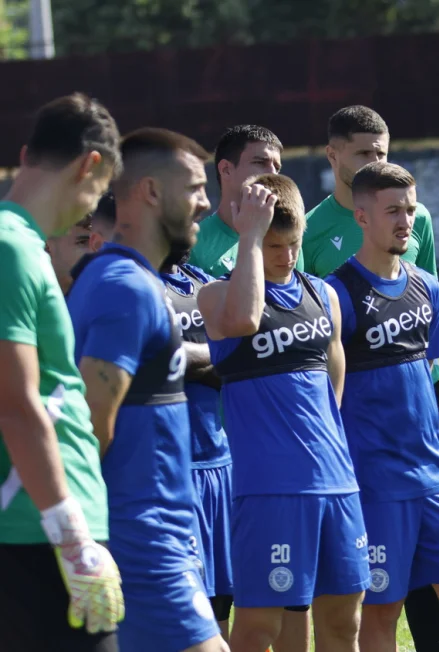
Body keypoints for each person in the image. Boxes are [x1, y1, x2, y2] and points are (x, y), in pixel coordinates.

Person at [67, 127, 226, 652]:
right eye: (196, 188)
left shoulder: (130, 280)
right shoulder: (126, 288)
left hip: (160, 535)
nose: (206, 204)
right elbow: (90, 426)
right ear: (152, 192)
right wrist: (86, 542)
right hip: (142, 539)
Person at [324, 161, 439, 652]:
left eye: (410, 210)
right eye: (392, 210)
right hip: (377, 485)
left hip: (434, 477)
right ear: (361, 217)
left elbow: (425, 379)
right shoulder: (337, 294)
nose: (405, 221)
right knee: (380, 612)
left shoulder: (427, 288)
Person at [198, 173, 368, 652]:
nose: (286, 256)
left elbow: (335, 377)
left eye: (293, 244)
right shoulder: (217, 297)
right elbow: (243, 321)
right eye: (273, 245)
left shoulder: (324, 295)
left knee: (342, 625)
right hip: (271, 491)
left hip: (337, 484)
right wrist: (249, 235)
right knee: (257, 630)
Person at [300, 104, 439, 650]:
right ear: (333, 154)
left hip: (421, 410)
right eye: (363, 152)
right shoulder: (311, 232)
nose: (374, 160)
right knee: (372, 574)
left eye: (382, 151)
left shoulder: (418, 217)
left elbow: (421, 300)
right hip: (355, 418)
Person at [0, 92, 124, 652]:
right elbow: (15, 401)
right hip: (35, 530)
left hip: (41, 523)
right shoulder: (12, 249)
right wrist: (71, 537)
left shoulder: (22, 245)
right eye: (98, 194)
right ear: (90, 165)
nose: (89, 212)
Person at [162, 250, 235, 639]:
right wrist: (211, 357)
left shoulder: (201, 282)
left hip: (221, 465)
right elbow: (156, 355)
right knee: (185, 607)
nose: (197, 216)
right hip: (175, 472)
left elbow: (239, 355)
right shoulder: (138, 284)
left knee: (221, 601)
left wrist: (188, 359)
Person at [190, 125, 284, 278]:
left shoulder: (287, 242)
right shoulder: (194, 245)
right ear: (226, 169)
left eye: (277, 167)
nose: (273, 174)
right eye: (260, 162)